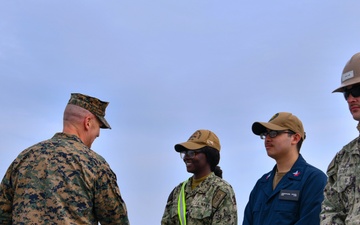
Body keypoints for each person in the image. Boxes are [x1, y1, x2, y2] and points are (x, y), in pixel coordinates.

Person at [0, 93, 129, 224]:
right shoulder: (95, 165)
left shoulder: (24, 158)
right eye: (98, 127)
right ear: (88, 122)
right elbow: (117, 221)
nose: (98, 134)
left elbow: (2, 214)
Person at [243, 112, 327, 225]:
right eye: (265, 134)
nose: (267, 139)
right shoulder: (261, 184)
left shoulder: (313, 180)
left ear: (295, 138)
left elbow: (311, 221)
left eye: (273, 133)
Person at [161, 129, 237, 225]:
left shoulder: (221, 190)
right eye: (185, 153)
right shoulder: (178, 191)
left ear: (209, 155)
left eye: (191, 153)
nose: (185, 157)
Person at [321, 52, 360, 224]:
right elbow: (330, 210)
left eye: (357, 90)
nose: (351, 99)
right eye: (346, 94)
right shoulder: (342, 158)